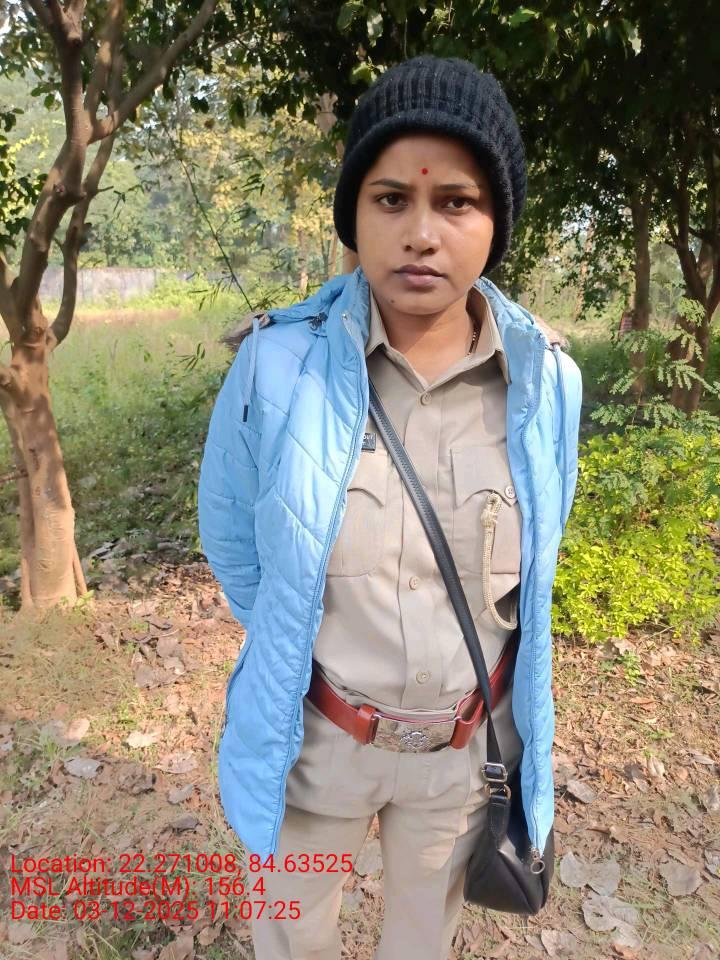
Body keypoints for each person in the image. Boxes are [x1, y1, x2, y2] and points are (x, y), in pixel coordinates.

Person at [198, 54, 583, 960]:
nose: (421, 233)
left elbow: (539, 561)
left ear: (496, 222)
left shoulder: (547, 384)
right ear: (355, 215)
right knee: (292, 941)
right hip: (315, 747)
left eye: (456, 201)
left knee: (422, 944)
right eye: (391, 199)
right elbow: (235, 540)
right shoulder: (276, 369)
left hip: (463, 758)